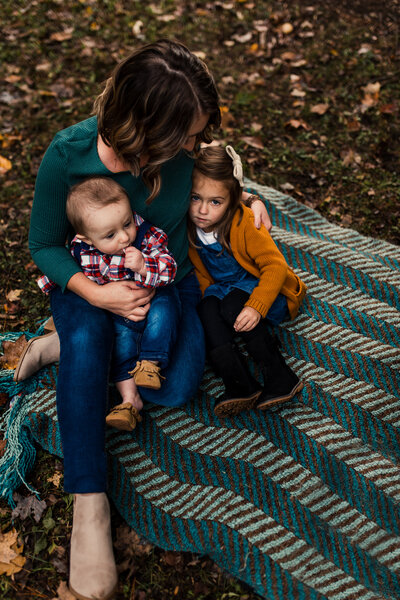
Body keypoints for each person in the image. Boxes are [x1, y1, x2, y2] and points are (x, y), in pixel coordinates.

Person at [17, 39, 271, 600]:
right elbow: (44, 244)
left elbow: (211, 179)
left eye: (199, 133)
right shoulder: (70, 154)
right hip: (93, 285)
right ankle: (91, 503)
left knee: (176, 388)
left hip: (165, 284)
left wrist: (244, 199)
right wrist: (98, 296)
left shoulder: (186, 150)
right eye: (185, 134)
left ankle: (67, 350)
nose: (194, 144)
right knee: (88, 346)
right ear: (144, 125)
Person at [37, 176, 180, 432]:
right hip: (120, 314)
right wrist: (48, 283)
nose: (124, 237)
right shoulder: (83, 251)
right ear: (88, 238)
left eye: (127, 223)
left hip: (152, 299)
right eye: (111, 234)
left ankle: (151, 363)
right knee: (121, 346)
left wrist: (144, 265)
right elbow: (66, 271)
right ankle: (129, 401)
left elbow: (170, 270)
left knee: (165, 312)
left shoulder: (146, 237)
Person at [188, 145, 307, 417]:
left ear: (232, 199)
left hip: (264, 287)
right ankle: (239, 382)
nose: (203, 210)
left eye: (215, 202)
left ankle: (280, 376)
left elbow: (275, 267)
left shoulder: (245, 223)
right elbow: (203, 273)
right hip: (224, 287)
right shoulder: (190, 225)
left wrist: (257, 305)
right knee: (207, 311)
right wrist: (211, 302)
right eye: (196, 198)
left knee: (233, 308)